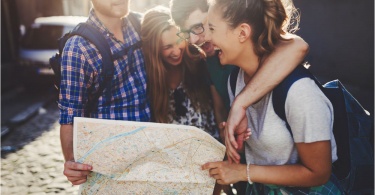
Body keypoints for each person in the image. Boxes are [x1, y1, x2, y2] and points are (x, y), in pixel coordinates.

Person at [202, 0, 344, 193]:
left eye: (212, 28)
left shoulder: (300, 93)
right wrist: (239, 143)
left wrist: (244, 172)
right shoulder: (235, 80)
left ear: (242, 33)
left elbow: (319, 173)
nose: (206, 38)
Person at [170, 0, 309, 164]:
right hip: (244, 152)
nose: (194, 40)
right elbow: (219, 105)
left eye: (199, 26)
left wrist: (240, 103)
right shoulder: (211, 58)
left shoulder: (248, 48)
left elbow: (298, 46)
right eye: (187, 32)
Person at [59, 0, 150, 185]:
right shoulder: (79, 47)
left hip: (149, 161)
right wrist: (71, 162)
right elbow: (70, 117)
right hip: (110, 171)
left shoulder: (139, 25)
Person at [141, 6, 219, 140]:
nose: (176, 52)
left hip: (209, 148)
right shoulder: (148, 78)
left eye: (178, 42)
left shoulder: (199, 62)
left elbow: (219, 109)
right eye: (167, 47)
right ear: (155, 49)